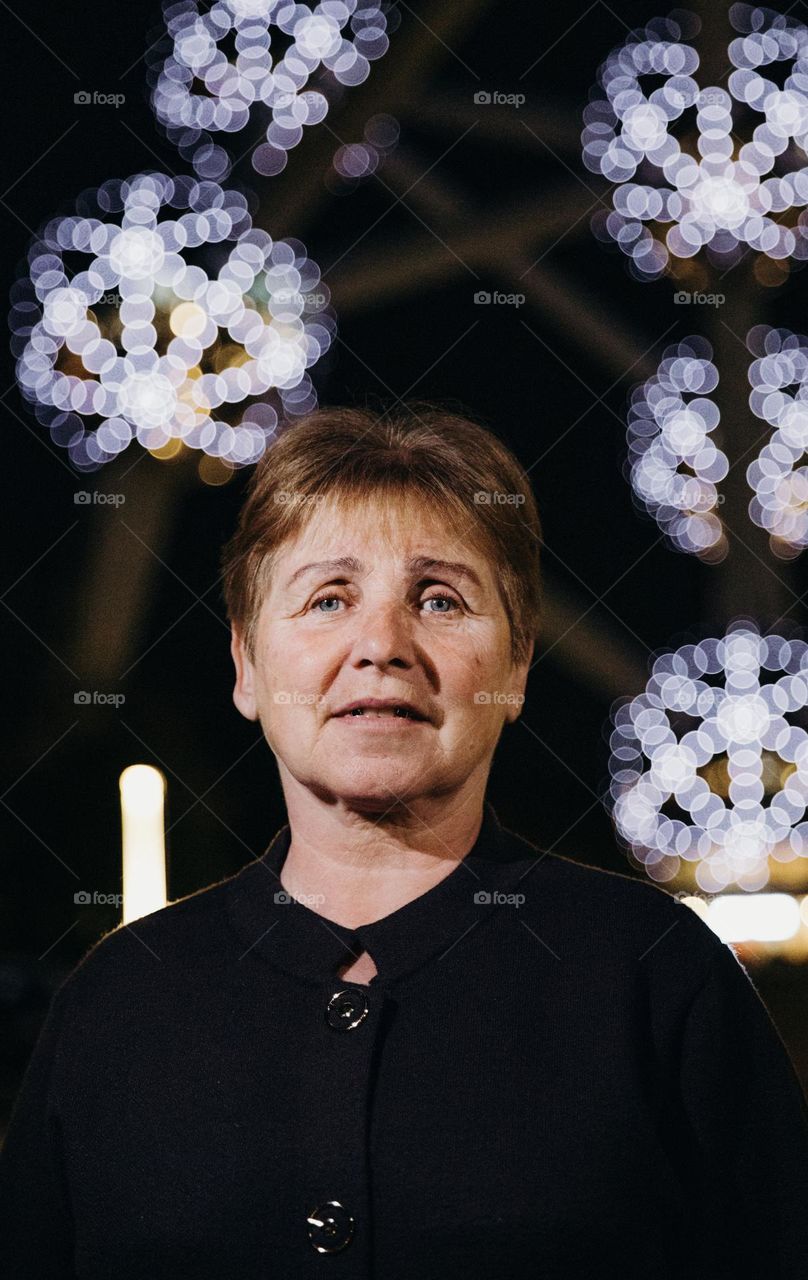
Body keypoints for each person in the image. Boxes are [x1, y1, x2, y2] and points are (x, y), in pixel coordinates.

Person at [2, 402, 808, 1280]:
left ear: (516, 664)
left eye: (439, 599)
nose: (381, 645)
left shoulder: (656, 980)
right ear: (245, 664)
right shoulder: (117, 1005)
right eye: (328, 598)